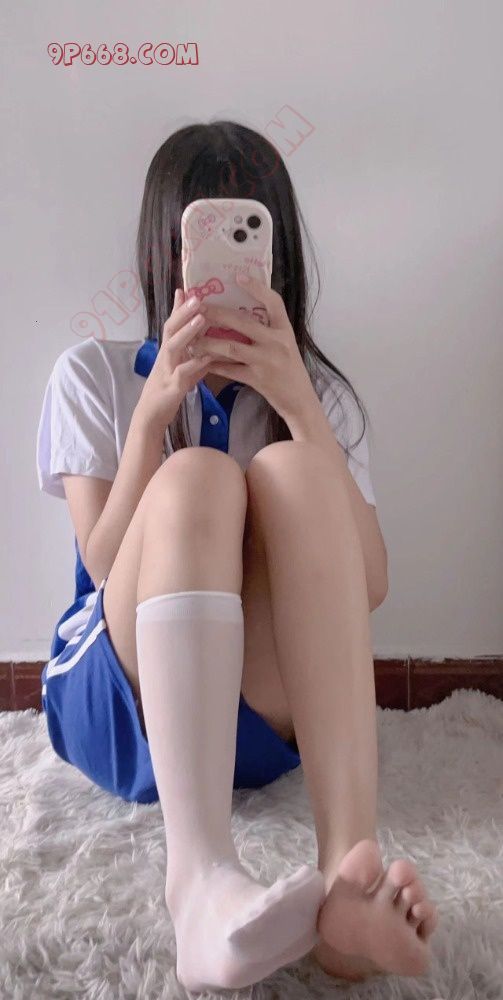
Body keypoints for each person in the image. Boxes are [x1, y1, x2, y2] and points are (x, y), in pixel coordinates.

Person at [36, 120, 438, 991]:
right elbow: (103, 566)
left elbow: (366, 584)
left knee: (295, 470)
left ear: (276, 256)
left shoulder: (317, 394)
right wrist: (154, 414)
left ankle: (346, 880)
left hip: (257, 719)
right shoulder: (93, 376)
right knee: (198, 479)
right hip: (121, 701)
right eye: (201, 244)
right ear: (166, 253)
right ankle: (199, 882)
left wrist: (298, 406)